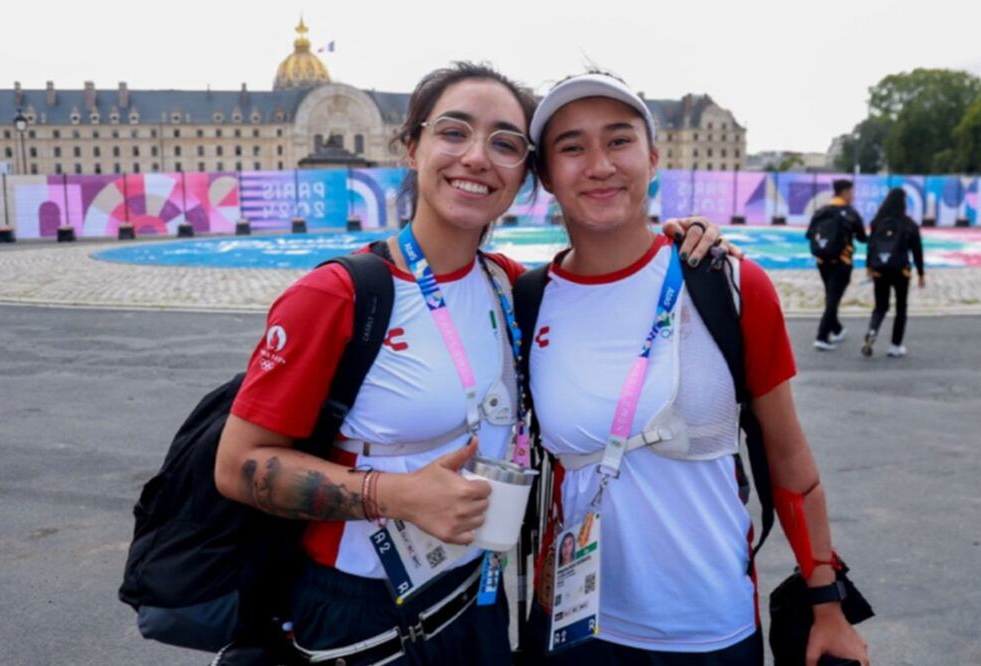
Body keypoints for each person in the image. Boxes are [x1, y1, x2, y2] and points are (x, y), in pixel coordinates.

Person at [214, 62, 727, 665]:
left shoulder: (512, 288)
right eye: (454, 132)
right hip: (363, 609)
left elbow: (611, 280)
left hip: (479, 598)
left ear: (524, 175)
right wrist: (393, 494)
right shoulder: (339, 295)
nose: (477, 158)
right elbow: (237, 467)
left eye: (505, 143)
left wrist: (685, 244)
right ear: (413, 147)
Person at [523, 72, 870, 666]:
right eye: (572, 147)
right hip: (571, 629)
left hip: (709, 630)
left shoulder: (730, 285)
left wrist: (826, 601)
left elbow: (787, 456)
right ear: (547, 176)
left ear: (654, 157)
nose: (600, 164)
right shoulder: (523, 298)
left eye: (619, 141)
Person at [861, 187, 925, 358]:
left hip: (880, 270)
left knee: (880, 306)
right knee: (901, 307)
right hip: (900, 271)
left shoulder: (877, 222)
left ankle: (873, 331)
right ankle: (895, 345)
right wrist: (921, 273)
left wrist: (869, 267)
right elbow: (917, 250)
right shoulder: (908, 224)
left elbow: (870, 246)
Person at [806, 179, 867, 351]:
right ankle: (822, 336)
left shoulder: (821, 211)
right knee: (833, 299)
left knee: (830, 296)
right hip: (842, 262)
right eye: (851, 192)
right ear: (845, 192)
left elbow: (809, 234)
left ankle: (837, 328)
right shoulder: (850, 213)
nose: (853, 196)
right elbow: (862, 237)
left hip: (822, 261)